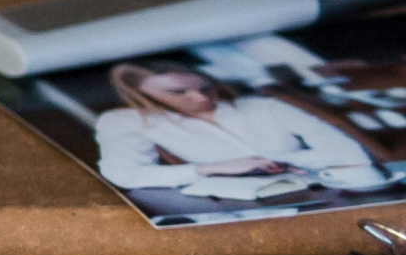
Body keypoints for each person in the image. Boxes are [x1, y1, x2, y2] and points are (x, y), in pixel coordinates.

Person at [82, 57, 392, 216]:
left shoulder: (262, 106)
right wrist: (211, 168)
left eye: (205, 87)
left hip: (322, 194)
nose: (200, 97)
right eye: (178, 92)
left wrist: (279, 161)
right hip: (242, 206)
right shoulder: (126, 121)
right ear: (140, 92)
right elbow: (122, 173)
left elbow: (348, 150)